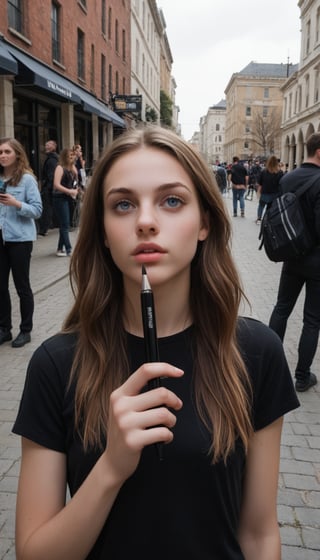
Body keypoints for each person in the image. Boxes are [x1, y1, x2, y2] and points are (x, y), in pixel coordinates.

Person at [13, 126, 299, 559]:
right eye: (123, 204)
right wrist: (111, 467)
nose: (146, 221)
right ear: (104, 232)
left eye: (171, 201)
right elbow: (34, 552)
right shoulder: (56, 364)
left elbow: (259, 534)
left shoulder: (255, 353)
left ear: (204, 222)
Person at [269, 132, 320, 392]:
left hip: (291, 256)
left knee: (282, 309)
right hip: (317, 262)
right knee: (312, 320)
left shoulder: (288, 178)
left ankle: (269, 366)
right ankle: (302, 376)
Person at [0, 138, 42, 348]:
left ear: (17, 154)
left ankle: (25, 330)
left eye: (7, 151)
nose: (3, 155)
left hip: (20, 239)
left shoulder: (27, 179)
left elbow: (37, 210)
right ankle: (4, 329)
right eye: (0, 152)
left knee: (21, 286)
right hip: (1, 237)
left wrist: (16, 203)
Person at [52, 148, 79, 256]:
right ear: (64, 156)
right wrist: (69, 191)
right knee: (65, 224)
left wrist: (76, 190)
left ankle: (59, 249)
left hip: (68, 197)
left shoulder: (72, 168)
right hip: (59, 198)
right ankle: (68, 249)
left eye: (73, 155)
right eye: (69, 155)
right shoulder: (60, 167)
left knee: (65, 224)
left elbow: (76, 180)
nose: (72, 157)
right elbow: (56, 184)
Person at [37, 140, 58, 236]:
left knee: (46, 208)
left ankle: (44, 228)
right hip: (49, 188)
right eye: (45, 144)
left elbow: (51, 176)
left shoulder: (52, 160)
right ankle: (47, 226)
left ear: (53, 147)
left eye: (48, 145)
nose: (46, 146)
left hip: (48, 189)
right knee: (48, 208)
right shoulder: (52, 159)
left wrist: (47, 188)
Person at [255, 155, 283, 225]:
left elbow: (260, 183)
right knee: (270, 207)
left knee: (261, 206)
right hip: (274, 194)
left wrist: (258, 192)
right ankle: (267, 219)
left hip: (264, 192)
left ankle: (259, 218)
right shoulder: (280, 173)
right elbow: (281, 184)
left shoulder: (263, 171)